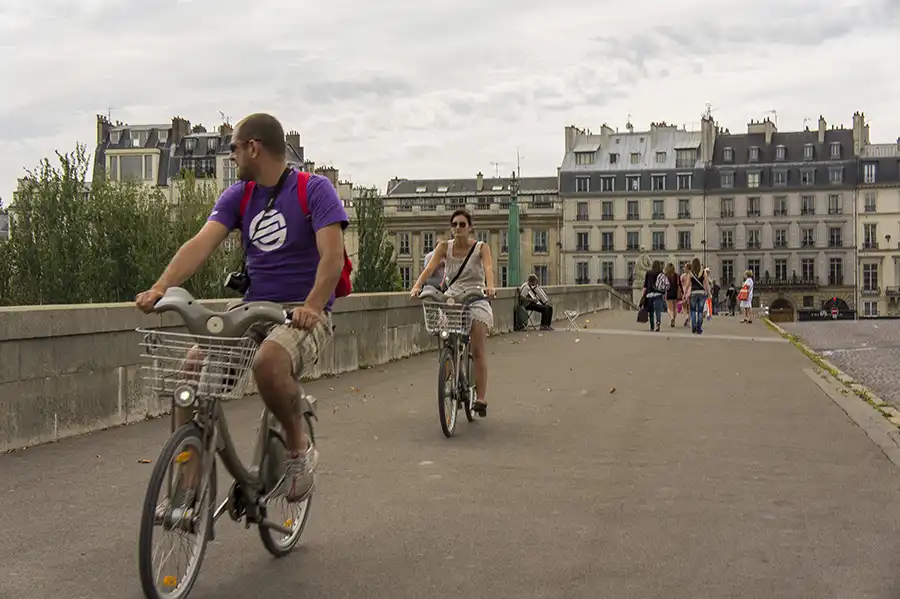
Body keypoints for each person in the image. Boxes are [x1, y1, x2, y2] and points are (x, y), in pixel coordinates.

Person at [135, 112, 348, 503]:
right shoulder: (239, 196)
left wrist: (312, 306)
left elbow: (332, 257)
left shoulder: (314, 189)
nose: (231, 155)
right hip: (252, 307)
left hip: (302, 312)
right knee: (192, 368)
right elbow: (200, 245)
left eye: (233, 148)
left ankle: (299, 449)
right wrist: (161, 288)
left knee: (269, 362)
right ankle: (188, 479)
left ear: (253, 147)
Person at [410, 209, 496, 415]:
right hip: (452, 298)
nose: (458, 228)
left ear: (470, 228)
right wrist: (417, 286)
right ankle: (450, 375)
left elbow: (489, 268)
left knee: (477, 349)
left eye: (462, 224)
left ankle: (481, 398)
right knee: (447, 339)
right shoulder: (443, 247)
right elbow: (429, 269)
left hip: (475, 296)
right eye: (454, 224)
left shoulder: (481, 247)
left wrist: (490, 286)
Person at [687, 257, 711, 334]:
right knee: (700, 311)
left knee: (693, 310)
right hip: (701, 293)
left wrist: (685, 293)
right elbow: (707, 284)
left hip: (693, 293)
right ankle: (699, 327)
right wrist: (709, 293)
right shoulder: (703, 272)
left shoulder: (690, 273)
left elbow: (687, 284)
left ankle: (694, 326)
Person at [641, 260, 666, 332]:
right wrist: (664, 294)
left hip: (650, 293)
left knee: (651, 310)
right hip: (658, 293)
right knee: (658, 310)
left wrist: (643, 295)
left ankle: (652, 326)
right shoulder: (661, 273)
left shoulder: (648, 273)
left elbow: (645, 285)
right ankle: (658, 322)